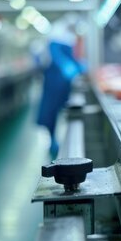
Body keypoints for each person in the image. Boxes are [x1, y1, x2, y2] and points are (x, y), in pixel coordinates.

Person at [36, 14, 85, 156]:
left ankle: (60, 136)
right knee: (51, 110)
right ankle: (52, 139)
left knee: (62, 108)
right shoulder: (56, 32)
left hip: (64, 82)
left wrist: (79, 66)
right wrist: (66, 66)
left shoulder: (69, 36)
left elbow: (71, 58)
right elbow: (57, 57)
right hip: (53, 80)